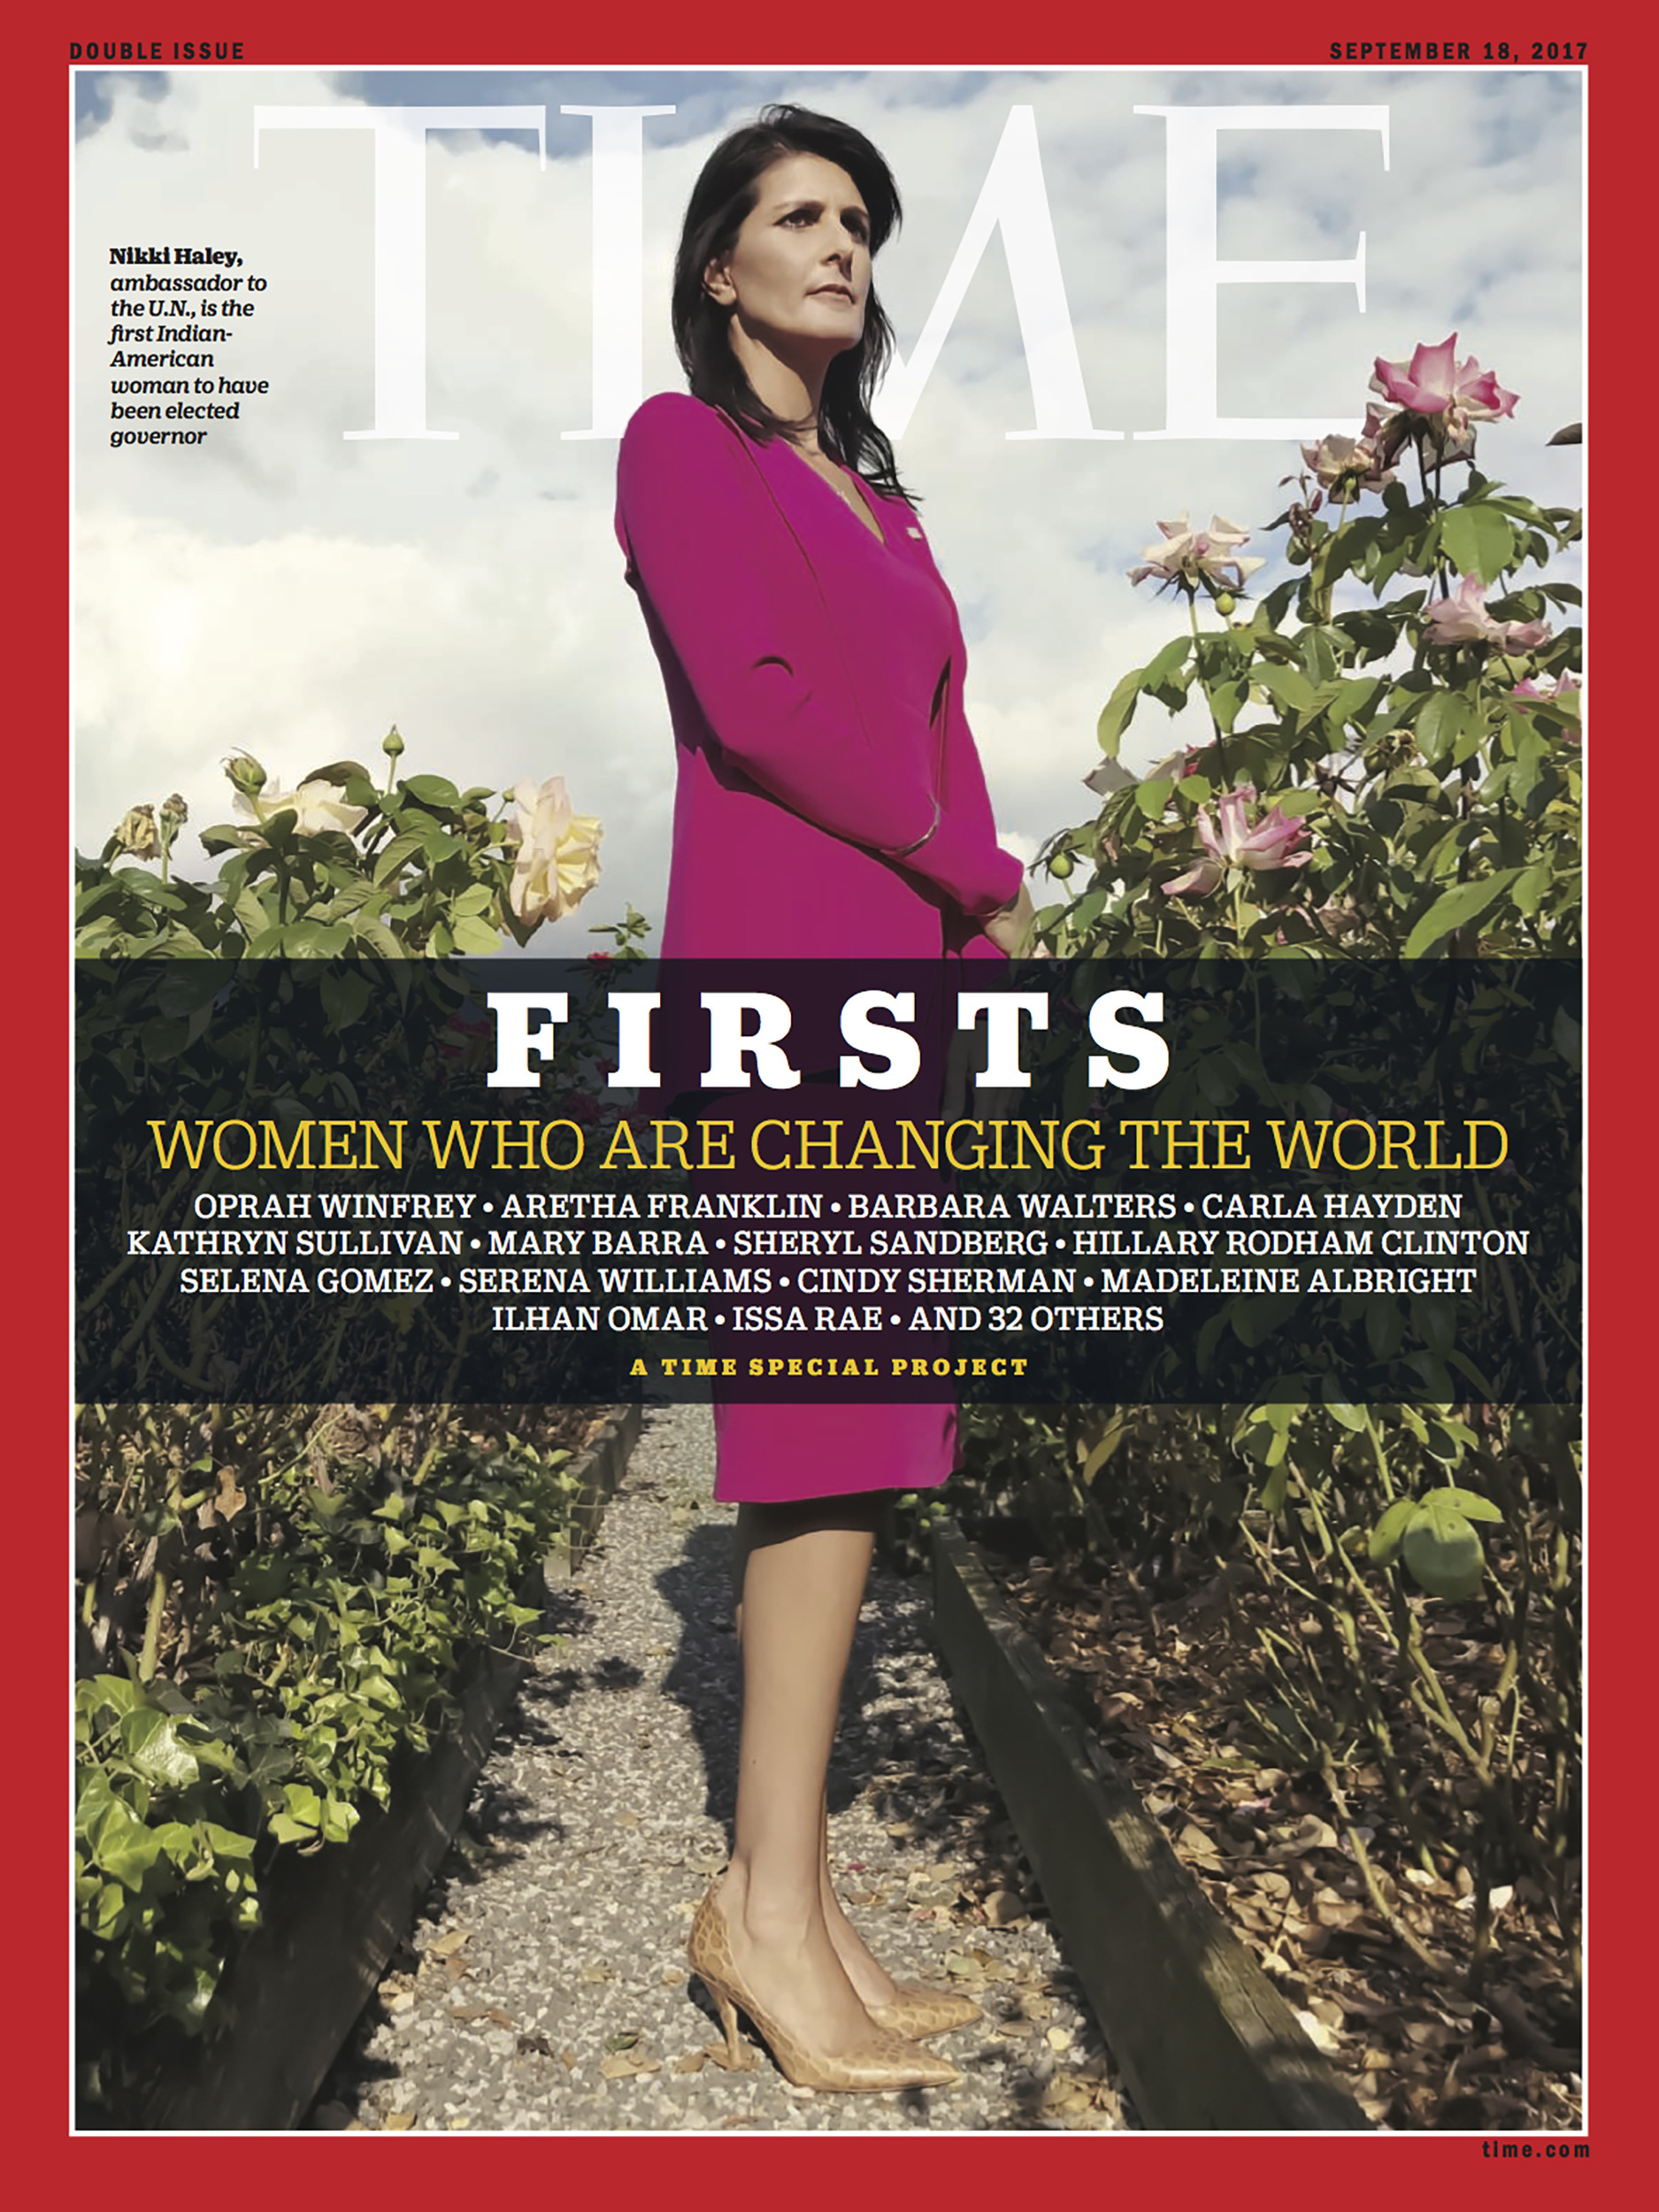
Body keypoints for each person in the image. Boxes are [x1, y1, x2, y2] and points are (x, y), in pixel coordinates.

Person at [614, 104, 1039, 2095]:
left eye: (859, 219)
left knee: (864, 1432)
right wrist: (977, 881)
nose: (840, 244)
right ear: (722, 266)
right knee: (812, 1426)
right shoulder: (677, 447)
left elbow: (939, 740)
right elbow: (766, 709)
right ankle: (762, 1913)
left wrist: (970, 940)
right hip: (789, 974)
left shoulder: (884, 496)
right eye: (798, 216)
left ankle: (786, 1894)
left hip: (906, 987)